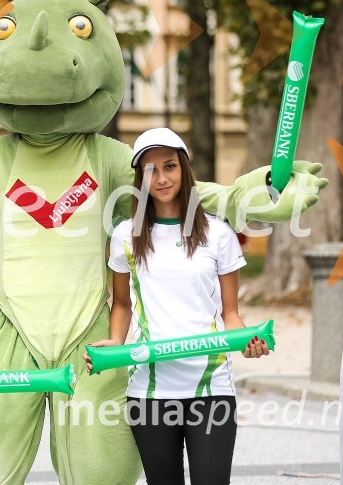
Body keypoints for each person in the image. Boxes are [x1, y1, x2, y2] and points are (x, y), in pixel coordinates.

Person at [85, 128, 270, 485]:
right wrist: (116, 343)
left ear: (184, 169)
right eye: (150, 170)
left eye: (169, 166)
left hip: (211, 388)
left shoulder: (219, 233)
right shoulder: (125, 235)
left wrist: (246, 340)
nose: (161, 178)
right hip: (150, 392)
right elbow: (121, 304)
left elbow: (230, 313)